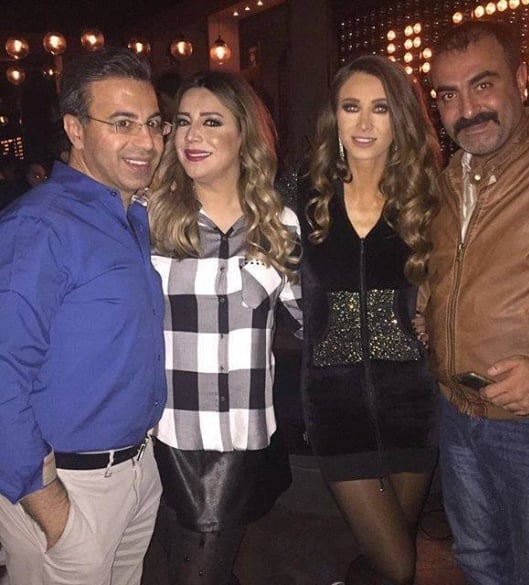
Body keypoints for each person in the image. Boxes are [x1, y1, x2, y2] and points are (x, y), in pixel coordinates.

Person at [0, 47, 169, 585]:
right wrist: (49, 505)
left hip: (136, 473)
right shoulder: (39, 226)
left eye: (153, 123)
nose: (147, 141)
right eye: (122, 123)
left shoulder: (130, 215)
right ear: (75, 128)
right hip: (66, 488)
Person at [425, 20, 529, 585]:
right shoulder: (451, 177)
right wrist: (430, 305)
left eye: (482, 85)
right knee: (477, 561)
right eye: (448, 95)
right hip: (457, 411)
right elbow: (458, 269)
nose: (467, 109)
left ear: (520, 79)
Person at [148, 70, 302, 585]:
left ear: (244, 135)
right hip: (162, 435)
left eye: (211, 122)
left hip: (236, 440)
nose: (192, 135)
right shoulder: (148, 217)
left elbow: (312, 320)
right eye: (183, 122)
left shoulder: (279, 224)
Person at [294, 55, 440, 585]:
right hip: (334, 407)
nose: (363, 122)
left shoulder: (428, 199)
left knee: (391, 557)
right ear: (333, 116)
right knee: (399, 565)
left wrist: (435, 312)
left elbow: (463, 279)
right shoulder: (302, 198)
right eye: (350, 106)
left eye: (380, 108)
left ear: (400, 118)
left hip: (413, 403)